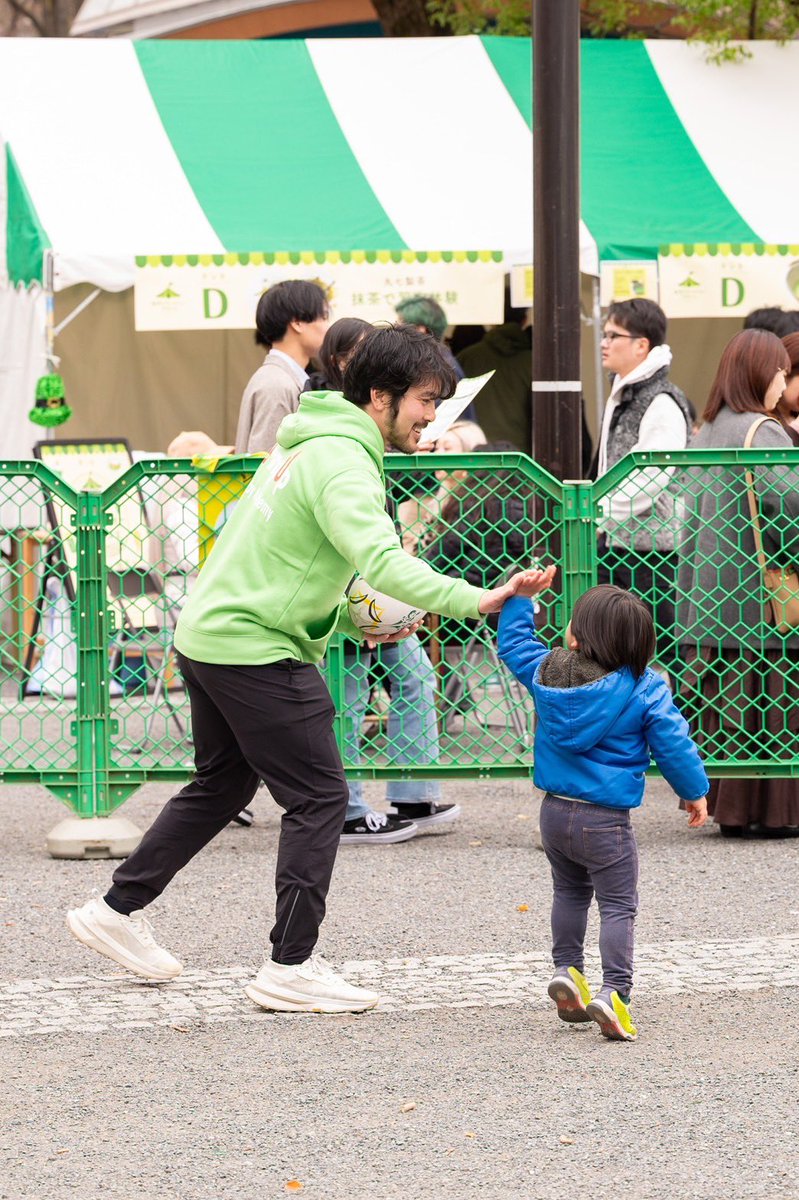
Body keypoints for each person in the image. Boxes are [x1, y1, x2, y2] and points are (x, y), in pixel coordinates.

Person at [66, 325, 541, 1015]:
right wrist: (478, 598)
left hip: (214, 635)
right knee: (320, 799)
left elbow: (291, 561)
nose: (430, 416)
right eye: (425, 400)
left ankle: (114, 910)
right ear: (379, 395)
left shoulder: (306, 442)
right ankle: (289, 965)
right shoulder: (344, 460)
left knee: (222, 786)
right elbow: (377, 559)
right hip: (256, 646)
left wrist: (359, 617)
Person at [498, 577, 708, 1042]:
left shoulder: (545, 671)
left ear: (575, 636)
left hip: (554, 814)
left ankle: (568, 971)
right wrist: (694, 790)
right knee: (617, 906)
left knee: (569, 894)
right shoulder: (645, 687)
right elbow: (673, 744)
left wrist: (520, 601)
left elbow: (514, 643)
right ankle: (615, 995)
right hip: (607, 822)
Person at [306, 317, 450, 845]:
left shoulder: (369, 431)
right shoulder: (329, 430)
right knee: (345, 694)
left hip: (375, 584)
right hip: (354, 587)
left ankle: (412, 793)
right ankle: (343, 807)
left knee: (413, 678)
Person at [677, 328, 799, 837]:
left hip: (705, 598)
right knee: (770, 702)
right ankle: (772, 814)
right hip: (755, 599)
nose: (783, 381)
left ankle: (732, 808)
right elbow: (791, 506)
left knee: (725, 710)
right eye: (780, 372)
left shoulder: (709, 430)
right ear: (759, 374)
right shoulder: (762, 431)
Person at [594, 298, 693, 683]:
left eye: (613, 335)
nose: (604, 342)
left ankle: (693, 729)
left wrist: (597, 511)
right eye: (603, 334)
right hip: (622, 543)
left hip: (654, 551)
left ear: (641, 345)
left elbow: (651, 477)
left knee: (668, 648)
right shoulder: (628, 391)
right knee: (624, 648)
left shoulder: (661, 400)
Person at [235, 279, 330, 453]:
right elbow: (266, 464)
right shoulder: (276, 385)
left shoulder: (279, 378)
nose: (327, 327)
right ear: (297, 323)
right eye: (324, 317)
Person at [456, 292, 532, 452]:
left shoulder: (467, 357)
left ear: (492, 320)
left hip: (476, 453)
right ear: (525, 320)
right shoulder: (535, 362)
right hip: (521, 460)